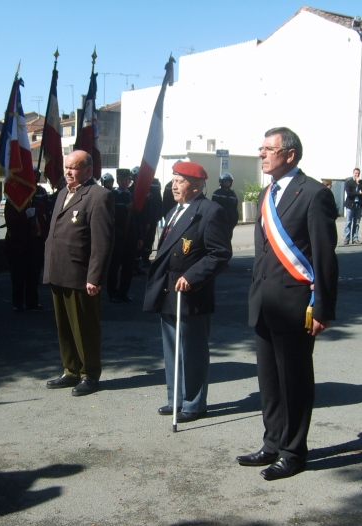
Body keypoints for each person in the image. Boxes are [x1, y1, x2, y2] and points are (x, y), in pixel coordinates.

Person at [240, 127, 338, 481]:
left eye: (269, 149)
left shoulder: (313, 194)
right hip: (265, 302)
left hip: (296, 304)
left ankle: (294, 451)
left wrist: (324, 308)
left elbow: (325, 255)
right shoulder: (268, 193)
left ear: (290, 154)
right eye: (261, 148)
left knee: (294, 381)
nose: (262, 154)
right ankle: (272, 442)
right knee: (268, 380)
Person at [143, 162, 231, 422]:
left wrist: (192, 277)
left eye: (180, 181)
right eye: (173, 180)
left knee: (192, 351)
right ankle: (176, 399)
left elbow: (220, 253)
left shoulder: (210, 211)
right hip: (169, 290)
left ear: (197, 184)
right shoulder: (174, 211)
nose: (174, 185)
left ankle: (193, 404)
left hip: (191, 292)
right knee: (172, 349)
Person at [43, 151, 115, 396]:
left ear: (88, 170)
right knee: (64, 326)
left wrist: (94, 276)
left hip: (81, 274)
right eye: (66, 167)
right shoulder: (63, 193)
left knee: (85, 326)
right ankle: (70, 369)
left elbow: (102, 242)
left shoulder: (99, 196)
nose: (68, 172)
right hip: (58, 270)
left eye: (74, 168)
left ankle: (89, 373)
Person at [5, 167, 51, 312]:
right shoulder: (15, 196)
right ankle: (17, 303)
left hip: (35, 243)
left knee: (33, 275)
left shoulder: (40, 197)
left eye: (36, 175)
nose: (34, 177)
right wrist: (25, 215)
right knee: (18, 276)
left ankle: (32, 301)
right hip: (19, 243)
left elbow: (45, 221)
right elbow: (11, 221)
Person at [107, 169, 142, 303]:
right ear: (117, 181)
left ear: (129, 181)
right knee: (114, 266)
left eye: (126, 180)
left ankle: (123, 292)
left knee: (128, 267)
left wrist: (140, 237)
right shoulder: (112, 195)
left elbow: (137, 218)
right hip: (117, 236)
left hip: (131, 237)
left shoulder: (133, 196)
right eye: (121, 179)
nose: (124, 182)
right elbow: (108, 213)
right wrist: (124, 208)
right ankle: (112, 292)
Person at [211, 172, 240, 241]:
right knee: (219, 240)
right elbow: (213, 207)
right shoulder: (217, 193)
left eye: (228, 182)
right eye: (225, 181)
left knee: (228, 240)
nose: (227, 183)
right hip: (220, 221)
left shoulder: (233, 194)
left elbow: (235, 208)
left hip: (230, 222)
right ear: (221, 182)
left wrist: (235, 220)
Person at [343, 168, 362, 245]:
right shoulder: (349, 182)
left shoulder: (361, 182)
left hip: (358, 204)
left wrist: (359, 184)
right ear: (353, 173)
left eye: (358, 173)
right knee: (348, 222)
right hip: (350, 204)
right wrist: (358, 193)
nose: (357, 175)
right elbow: (349, 193)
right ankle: (347, 238)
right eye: (356, 173)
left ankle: (355, 238)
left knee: (357, 222)